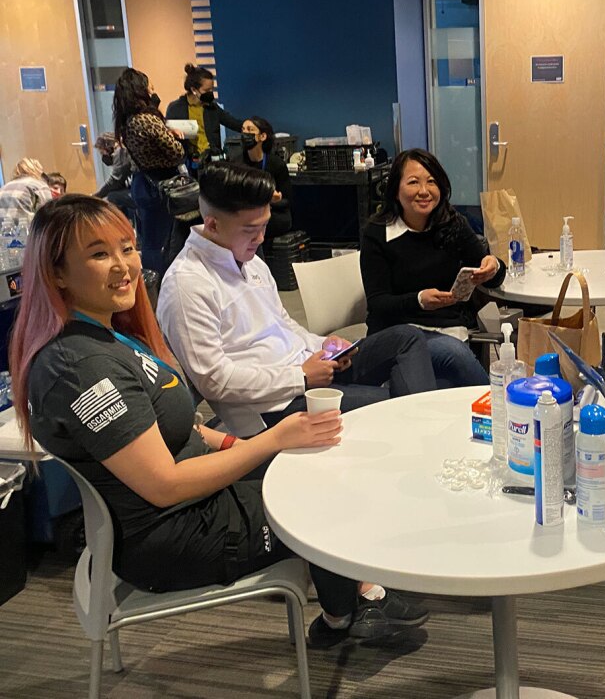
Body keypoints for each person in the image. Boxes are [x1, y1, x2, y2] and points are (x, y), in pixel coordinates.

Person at [9, 195, 428, 647]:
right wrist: (270, 441)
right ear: (55, 273)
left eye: (127, 248)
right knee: (322, 488)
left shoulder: (109, 336)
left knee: (319, 458)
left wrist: (240, 446)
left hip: (195, 499)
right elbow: (164, 484)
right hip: (176, 533)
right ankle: (349, 611)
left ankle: (349, 602)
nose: (123, 265)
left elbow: (181, 428)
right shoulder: (80, 366)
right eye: (98, 253)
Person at [157, 162, 439, 438]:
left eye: (264, 225)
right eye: (250, 230)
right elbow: (214, 380)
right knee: (394, 404)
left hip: (308, 370)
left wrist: (324, 346)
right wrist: (300, 377)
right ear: (213, 225)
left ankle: (421, 437)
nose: (261, 237)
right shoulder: (187, 284)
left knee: (407, 338)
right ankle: (426, 445)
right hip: (271, 408)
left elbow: (283, 323)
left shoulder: (250, 261)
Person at [360, 149, 506, 388]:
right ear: (395, 189)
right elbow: (377, 302)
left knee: (430, 384)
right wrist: (418, 300)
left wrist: (493, 266)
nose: (424, 191)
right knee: (453, 355)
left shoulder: (452, 223)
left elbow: (493, 279)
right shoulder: (378, 233)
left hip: (448, 329)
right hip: (396, 333)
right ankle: (495, 406)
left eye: (431, 182)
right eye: (413, 182)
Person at [112, 67, 184, 275]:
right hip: (160, 186)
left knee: (150, 240)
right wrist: (176, 137)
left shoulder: (127, 121)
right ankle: (162, 287)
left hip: (143, 183)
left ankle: (152, 288)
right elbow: (176, 152)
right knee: (162, 242)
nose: (153, 90)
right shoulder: (147, 119)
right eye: (150, 86)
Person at [166, 63, 243, 167]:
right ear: (194, 90)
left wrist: (253, 127)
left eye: (212, 89)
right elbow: (168, 138)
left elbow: (233, 122)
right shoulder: (175, 108)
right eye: (207, 90)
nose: (211, 93)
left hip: (212, 163)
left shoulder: (213, 107)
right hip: (188, 164)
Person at [240, 116, 292, 245]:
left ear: (262, 137)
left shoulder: (276, 164)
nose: (245, 133)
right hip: (245, 213)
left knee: (253, 227)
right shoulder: (237, 163)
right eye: (243, 130)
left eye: (250, 130)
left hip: (273, 215)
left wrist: (269, 200)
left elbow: (287, 200)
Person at [94, 131, 137, 225]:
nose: (103, 155)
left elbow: (115, 180)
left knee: (112, 197)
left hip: (142, 193)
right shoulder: (123, 149)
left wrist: (96, 196)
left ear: (107, 147)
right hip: (140, 190)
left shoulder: (120, 152)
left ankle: (121, 228)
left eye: (102, 152)